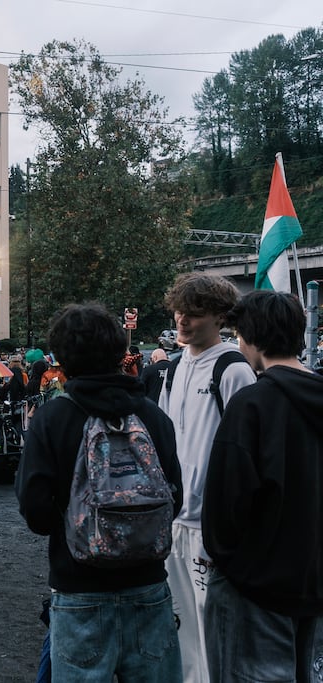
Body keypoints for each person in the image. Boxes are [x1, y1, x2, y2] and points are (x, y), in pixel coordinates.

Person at [16, 302, 183, 681]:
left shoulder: (53, 418)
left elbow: (36, 511)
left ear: (62, 359)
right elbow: (176, 498)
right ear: (119, 353)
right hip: (149, 587)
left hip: (79, 589)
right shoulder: (153, 416)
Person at [201, 290, 323, 682]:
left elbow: (226, 501)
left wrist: (228, 562)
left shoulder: (253, 404)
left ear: (248, 337)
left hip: (257, 585)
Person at [157, 272, 256, 683]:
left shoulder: (234, 369)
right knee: (178, 625)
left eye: (194, 313)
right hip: (174, 521)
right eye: (179, 311)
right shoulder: (174, 369)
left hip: (211, 527)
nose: (183, 320)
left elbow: (248, 451)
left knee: (212, 626)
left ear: (220, 317)